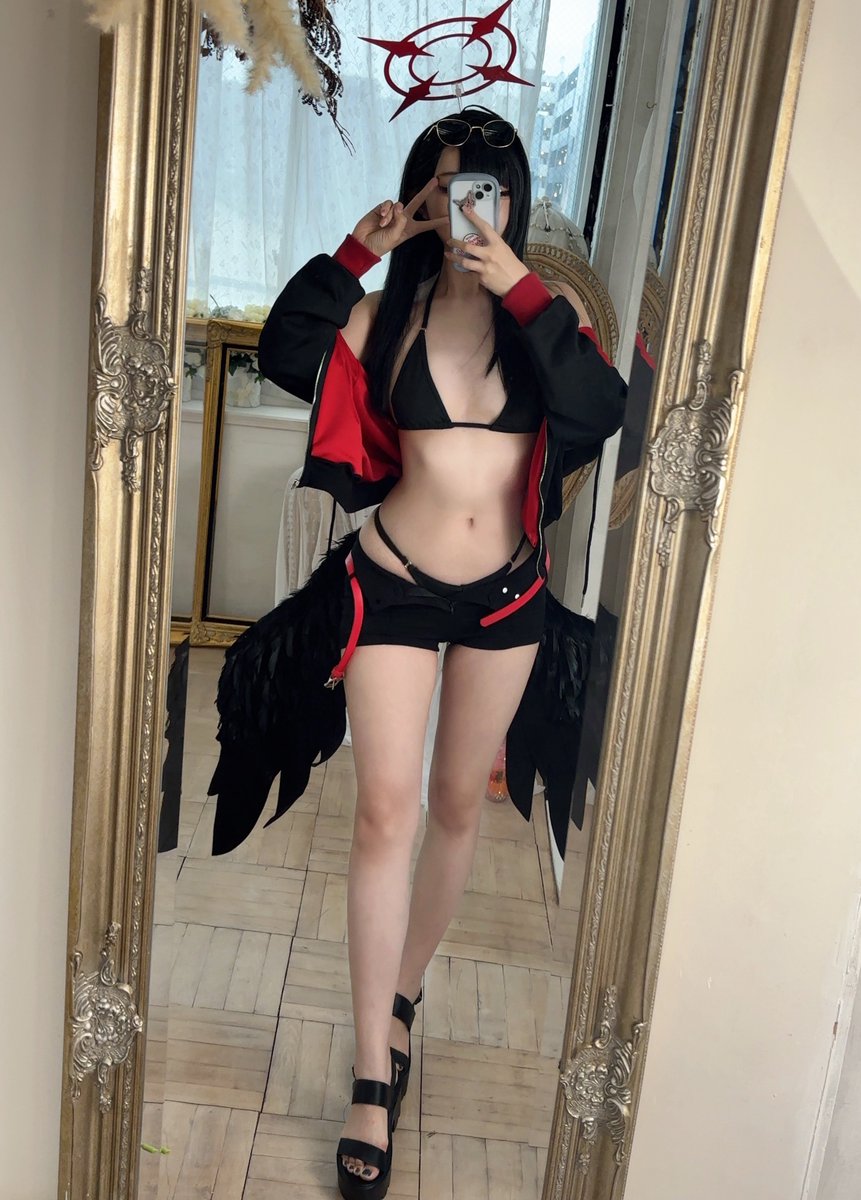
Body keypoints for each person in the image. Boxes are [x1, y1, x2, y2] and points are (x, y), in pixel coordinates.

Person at [243, 106, 627, 1198]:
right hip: (393, 586)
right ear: (423, 196)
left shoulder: (544, 320)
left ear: (513, 201)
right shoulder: (384, 316)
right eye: (447, 189)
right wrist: (362, 245)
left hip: (507, 598)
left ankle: (402, 994)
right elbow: (284, 351)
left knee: (459, 806)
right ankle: (372, 1071)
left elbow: (603, 408)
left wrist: (520, 287)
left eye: (486, 191)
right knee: (384, 814)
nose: (467, 211)